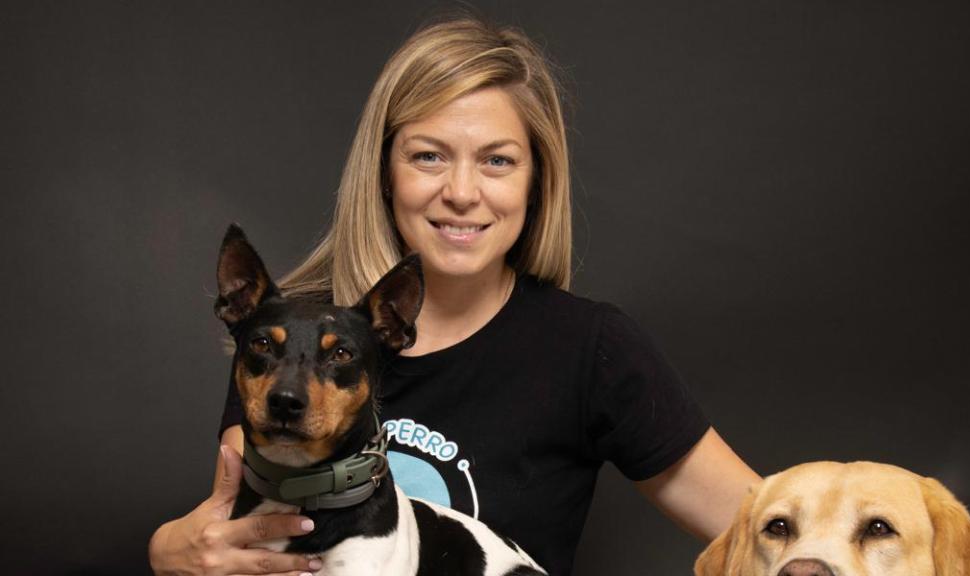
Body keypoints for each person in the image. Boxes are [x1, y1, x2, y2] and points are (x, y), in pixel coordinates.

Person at [149, 16, 760, 576]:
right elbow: (241, 531)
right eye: (428, 156)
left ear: (536, 181)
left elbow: (771, 531)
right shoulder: (290, 334)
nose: (462, 192)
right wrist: (170, 549)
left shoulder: (590, 348)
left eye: (497, 160)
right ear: (385, 172)